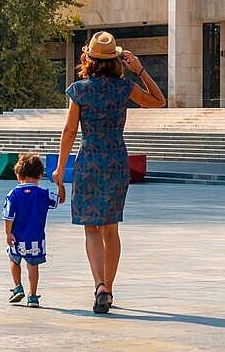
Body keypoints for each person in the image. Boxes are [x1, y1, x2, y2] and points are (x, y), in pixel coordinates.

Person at [52, 31, 166, 314]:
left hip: (89, 159)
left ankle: (99, 285)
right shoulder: (124, 87)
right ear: (117, 59)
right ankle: (110, 289)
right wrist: (139, 69)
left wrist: (59, 168)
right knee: (111, 228)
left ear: (88, 58)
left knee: (92, 227)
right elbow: (158, 100)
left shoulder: (79, 90)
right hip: (116, 159)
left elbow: (69, 131)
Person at [3, 153, 66, 308]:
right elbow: (60, 200)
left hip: (17, 237)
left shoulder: (14, 194)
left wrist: (8, 233)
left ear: (18, 175)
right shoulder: (44, 194)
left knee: (13, 259)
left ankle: (18, 287)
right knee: (33, 266)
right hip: (36, 239)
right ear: (39, 175)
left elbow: (8, 216)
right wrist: (60, 185)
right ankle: (32, 296)